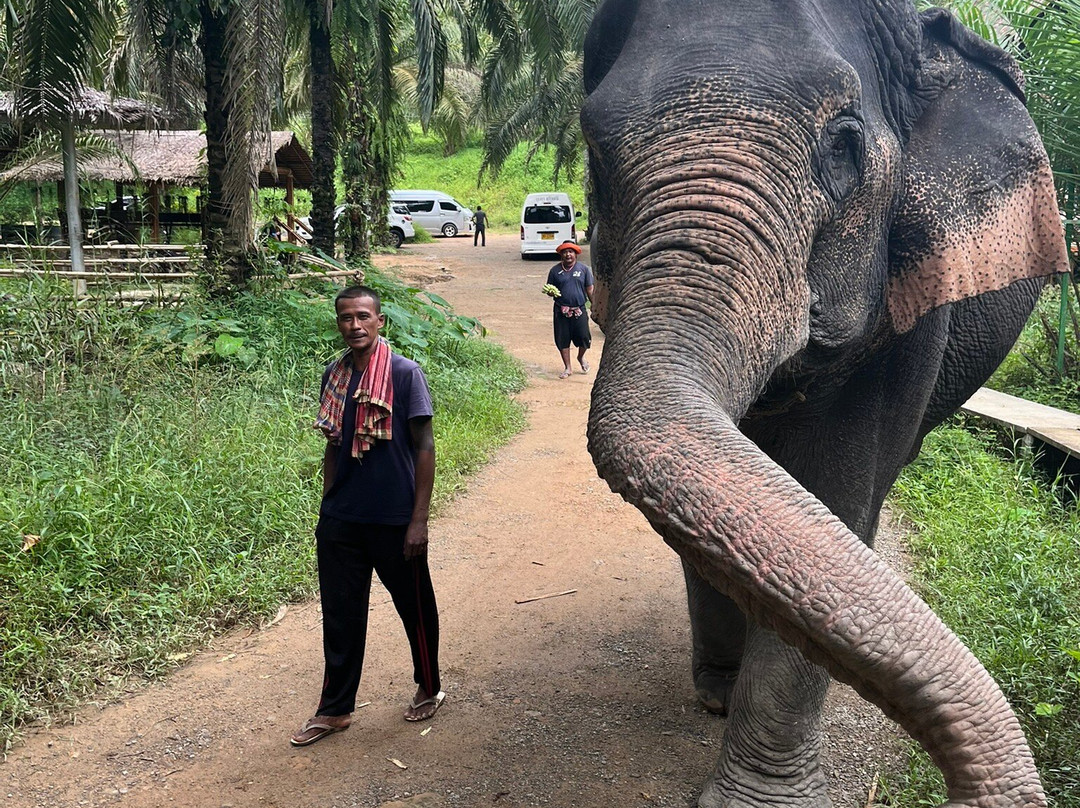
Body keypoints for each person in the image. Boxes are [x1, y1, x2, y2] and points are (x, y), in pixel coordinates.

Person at [291, 285, 444, 748]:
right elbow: (333, 444)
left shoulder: (404, 374)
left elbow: (425, 447)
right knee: (340, 613)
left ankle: (429, 685)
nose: (354, 325)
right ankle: (335, 709)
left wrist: (418, 521)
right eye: (345, 318)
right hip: (343, 517)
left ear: (380, 321)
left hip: (394, 517)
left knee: (414, 607)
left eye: (362, 317)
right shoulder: (334, 375)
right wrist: (327, 504)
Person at [545, 241, 594, 379]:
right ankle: (568, 367)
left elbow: (589, 289)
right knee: (562, 339)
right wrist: (551, 293)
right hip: (561, 311)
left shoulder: (584, 269)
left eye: (571, 252)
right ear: (561, 255)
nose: (568, 254)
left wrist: (594, 304)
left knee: (584, 337)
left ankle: (580, 357)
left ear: (576, 254)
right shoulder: (555, 271)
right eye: (565, 252)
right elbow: (550, 289)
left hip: (579, 309)